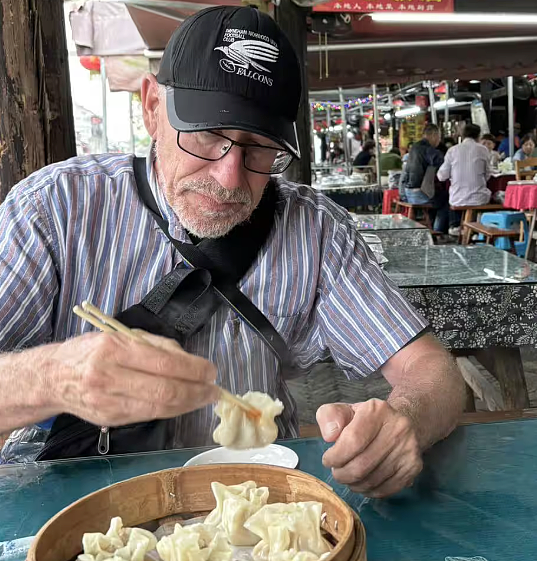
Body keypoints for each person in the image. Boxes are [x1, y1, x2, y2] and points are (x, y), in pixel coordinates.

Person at [0, 6, 464, 496]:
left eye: (259, 149)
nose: (229, 178)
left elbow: (435, 373)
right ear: (152, 107)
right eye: (207, 136)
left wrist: (403, 422)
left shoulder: (315, 230)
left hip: (254, 500)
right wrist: (51, 378)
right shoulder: (54, 209)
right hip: (76, 500)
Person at [437, 123, 495, 235]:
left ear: (462, 135)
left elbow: (441, 176)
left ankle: (455, 226)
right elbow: (488, 174)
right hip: (480, 198)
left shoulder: (452, 150)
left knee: (452, 198)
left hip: (458, 199)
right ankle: (477, 228)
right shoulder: (483, 150)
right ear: (478, 136)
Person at [399, 124, 448, 232]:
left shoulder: (414, 148)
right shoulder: (427, 149)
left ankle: (432, 224)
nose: (439, 140)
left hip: (408, 192)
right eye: (439, 137)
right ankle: (437, 231)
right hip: (419, 194)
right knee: (446, 201)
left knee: (437, 195)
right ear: (434, 135)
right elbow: (442, 162)